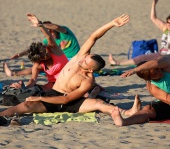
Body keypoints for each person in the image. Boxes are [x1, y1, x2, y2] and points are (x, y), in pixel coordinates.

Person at [0, 13, 142, 124]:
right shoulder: (79, 58)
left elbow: (66, 99)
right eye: (86, 57)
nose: (83, 59)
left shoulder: (88, 81)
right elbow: (94, 37)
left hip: (68, 101)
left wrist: (40, 97)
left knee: (99, 104)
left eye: (86, 61)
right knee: (25, 106)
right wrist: (111, 23)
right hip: (55, 93)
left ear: (90, 70)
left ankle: (128, 112)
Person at [4, 18, 69, 92]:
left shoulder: (53, 50)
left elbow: (49, 37)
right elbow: (33, 80)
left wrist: (40, 25)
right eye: (44, 56)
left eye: (46, 52)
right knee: (38, 90)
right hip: (54, 83)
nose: (47, 55)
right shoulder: (38, 64)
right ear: (40, 59)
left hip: (69, 78)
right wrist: (24, 89)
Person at [108, 0, 170, 66]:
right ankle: (117, 63)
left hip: (168, 57)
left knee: (155, 64)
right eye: (168, 22)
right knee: (142, 57)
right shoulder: (165, 28)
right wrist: (153, 5)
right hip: (161, 54)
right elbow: (153, 18)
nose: (168, 24)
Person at [3, 21, 80, 77]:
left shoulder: (64, 32)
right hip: (61, 62)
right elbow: (38, 49)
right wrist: (21, 54)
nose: (50, 33)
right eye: (47, 32)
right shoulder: (46, 40)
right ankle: (13, 73)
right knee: (39, 65)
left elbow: (56, 27)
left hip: (75, 59)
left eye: (51, 31)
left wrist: (40, 24)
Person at [111, 55, 170, 126]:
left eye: (157, 69)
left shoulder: (165, 67)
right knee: (148, 109)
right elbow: (167, 99)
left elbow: (156, 62)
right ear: (149, 78)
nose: (159, 71)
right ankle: (124, 122)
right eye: (155, 73)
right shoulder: (152, 87)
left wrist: (134, 70)